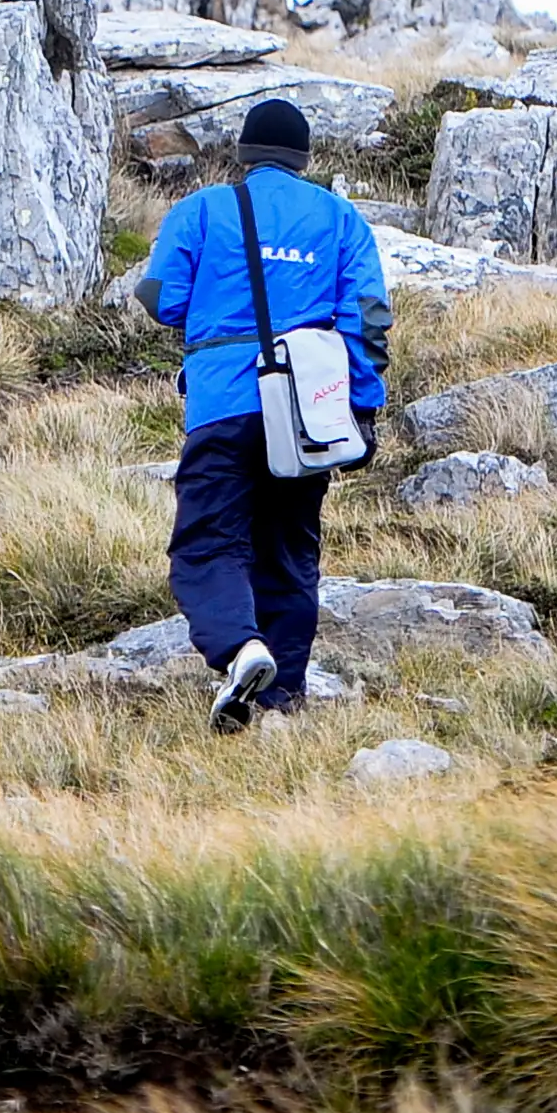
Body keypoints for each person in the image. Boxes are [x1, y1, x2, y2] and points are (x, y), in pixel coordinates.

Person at [135, 99, 393, 731]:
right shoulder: (339, 219)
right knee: (287, 554)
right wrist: (362, 409)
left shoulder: (200, 211)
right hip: (303, 413)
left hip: (221, 404)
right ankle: (280, 702)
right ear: (304, 159)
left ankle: (239, 650)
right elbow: (369, 320)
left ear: (244, 154)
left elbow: (162, 299)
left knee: (208, 545)